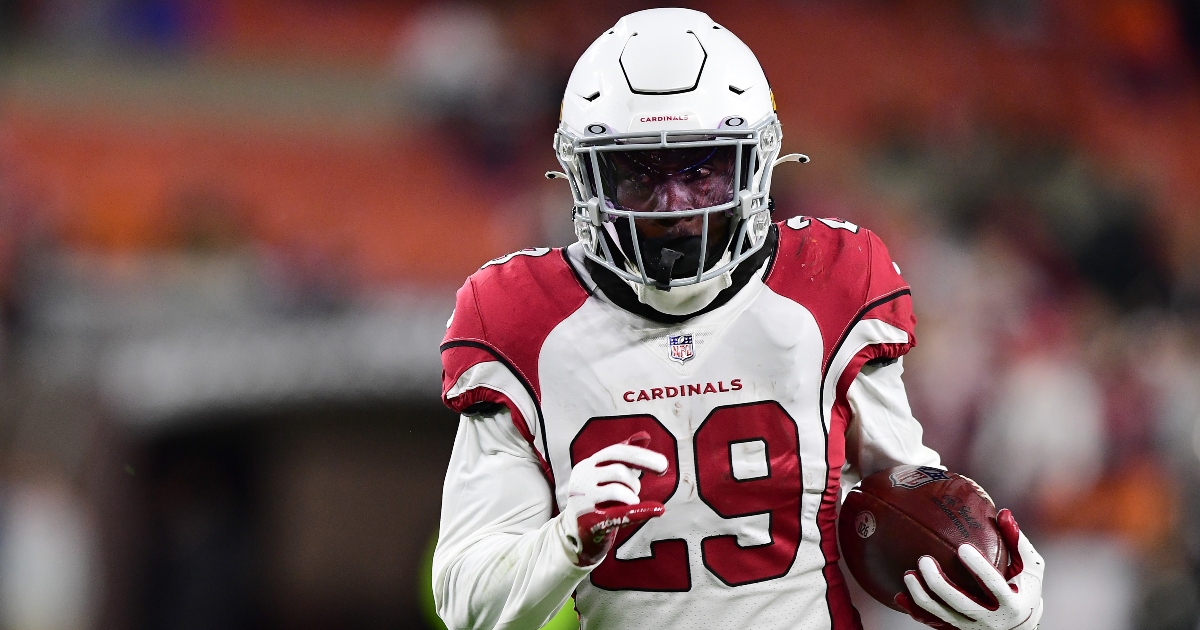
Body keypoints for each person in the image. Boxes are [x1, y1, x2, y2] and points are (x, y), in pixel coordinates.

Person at [433, 8, 1044, 630]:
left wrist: (991, 574)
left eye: (700, 170)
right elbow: (466, 609)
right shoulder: (520, 321)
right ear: (584, 175)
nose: (672, 205)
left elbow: (902, 496)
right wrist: (565, 542)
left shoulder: (829, 285)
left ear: (756, 163)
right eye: (638, 172)